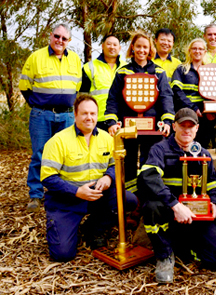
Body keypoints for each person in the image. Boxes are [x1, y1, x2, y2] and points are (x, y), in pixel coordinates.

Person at [40, 94, 138, 262]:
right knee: (62, 254)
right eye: (84, 113)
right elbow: (48, 178)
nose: (89, 118)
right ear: (75, 114)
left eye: (93, 114)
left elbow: (115, 165)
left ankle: (94, 228)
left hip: (97, 195)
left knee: (129, 201)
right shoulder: (58, 141)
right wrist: (77, 191)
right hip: (67, 199)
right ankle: (63, 225)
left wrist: (108, 177)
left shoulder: (107, 138)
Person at [137, 108, 216, 283]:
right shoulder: (160, 149)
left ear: (197, 128)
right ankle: (164, 255)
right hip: (169, 212)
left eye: (191, 126)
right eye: (182, 125)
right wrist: (175, 205)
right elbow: (149, 177)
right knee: (152, 206)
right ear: (174, 127)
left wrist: (214, 202)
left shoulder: (203, 153)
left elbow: (213, 184)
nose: (186, 130)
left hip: (195, 217)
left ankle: (182, 248)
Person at [19, 23, 82, 212]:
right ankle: (36, 195)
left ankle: (60, 192)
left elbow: (77, 87)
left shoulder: (75, 60)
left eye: (64, 38)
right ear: (50, 36)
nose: (60, 41)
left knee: (65, 155)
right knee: (40, 154)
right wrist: (39, 104)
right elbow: (24, 86)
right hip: (42, 114)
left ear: (68, 41)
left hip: (67, 115)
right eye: (57, 36)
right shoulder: (36, 57)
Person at [104, 30, 175, 193]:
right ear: (132, 47)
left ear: (150, 49)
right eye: (138, 46)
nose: (142, 50)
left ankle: (147, 198)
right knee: (127, 164)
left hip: (152, 128)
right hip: (127, 128)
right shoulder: (123, 72)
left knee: (149, 163)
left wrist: (167, 122)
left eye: (145, 47)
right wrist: (112, 122)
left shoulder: (158, 72)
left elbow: (166, 97)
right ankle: (130, 203)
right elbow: (113, 98)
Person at [171, 38, 215, 147]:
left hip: (205, 118)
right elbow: (177, 92)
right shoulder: (181, 70)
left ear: (205, 52)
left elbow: (215, 93)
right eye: (194, 48)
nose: (197, 51)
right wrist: (193, 108)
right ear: (189, 51)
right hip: (185, 114)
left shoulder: (210, 71)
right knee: (184, 146)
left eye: (201, 49)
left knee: (202, 147)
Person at [80, 35, 127, 131]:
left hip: (122, 119)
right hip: (97, 120)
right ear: (102, 46)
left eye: (115, 45)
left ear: (119, 48)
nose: (112, 47)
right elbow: (82, 97)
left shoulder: (127, 68)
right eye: (109, 44)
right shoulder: (89, 67)